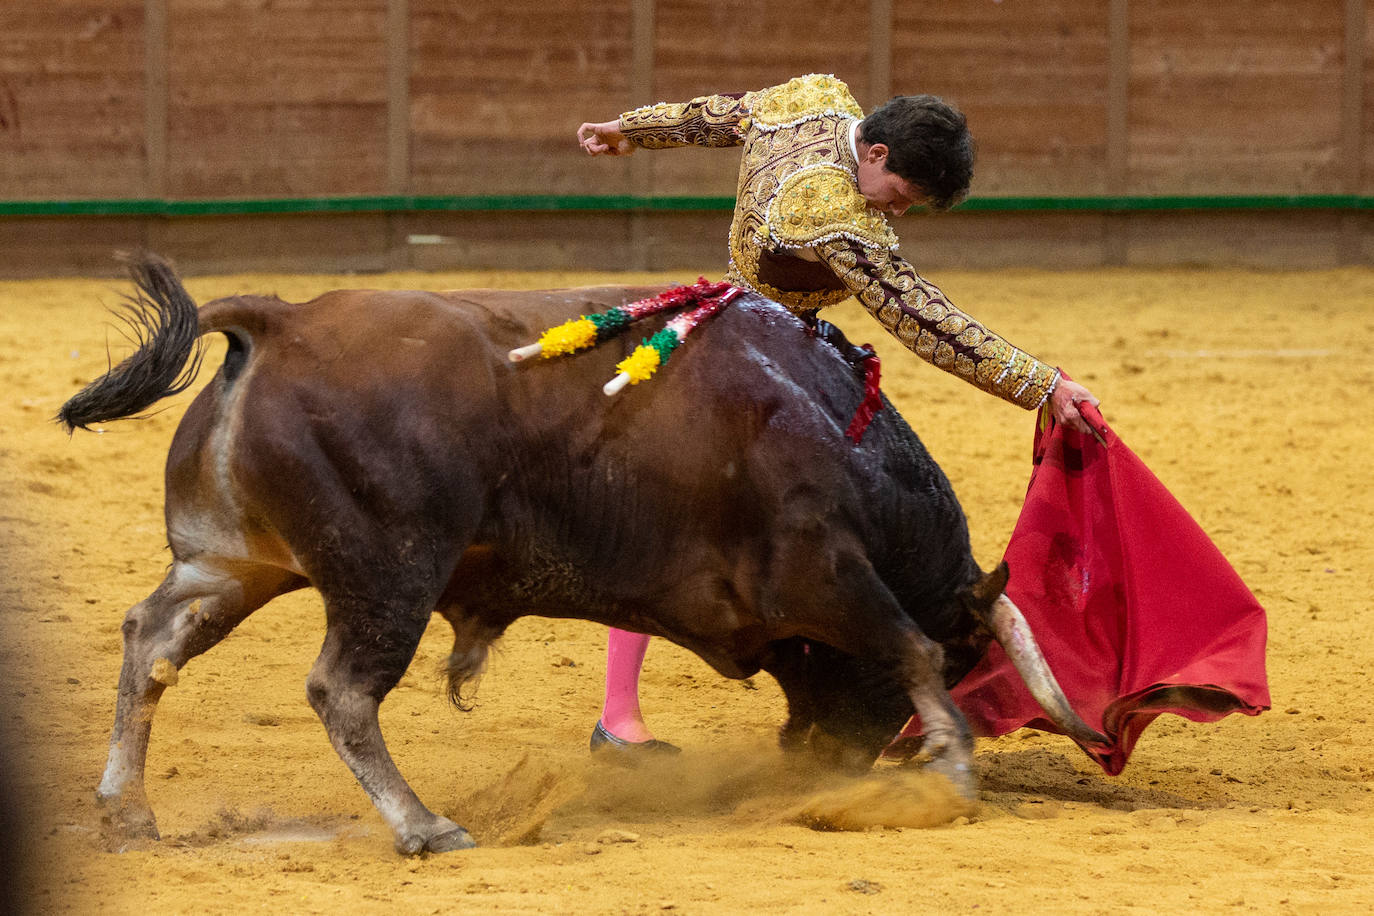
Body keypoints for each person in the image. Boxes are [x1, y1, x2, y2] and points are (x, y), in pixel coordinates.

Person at [577, 73, 1099, 756]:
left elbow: (717, 116)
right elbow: (923, 321)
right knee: (739, 515)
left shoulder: (814, 98)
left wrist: (630, 130)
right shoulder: (835, 218)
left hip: (751, 334)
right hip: (754, 366)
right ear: (876, 154)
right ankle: (629, 715)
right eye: (903, 196)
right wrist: (1042, 383)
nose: (900, 214)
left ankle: (647, 709)